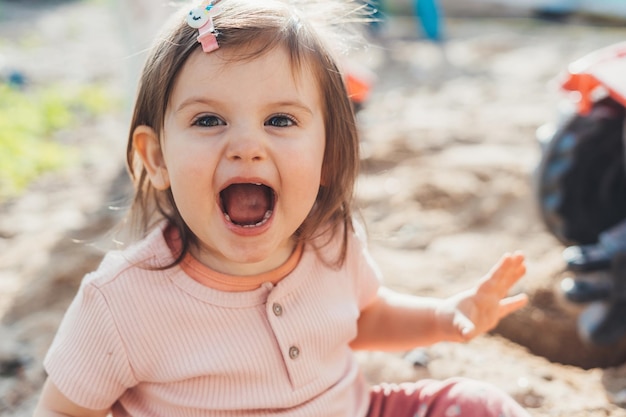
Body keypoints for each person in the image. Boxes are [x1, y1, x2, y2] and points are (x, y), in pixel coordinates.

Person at [33, 0, 530, 416]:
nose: (246, 145)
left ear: (328, 156)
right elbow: (61, 409)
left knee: (476, 405)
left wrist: (446, 316)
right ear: (157, 158)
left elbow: (363, 318)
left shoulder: (329, 242)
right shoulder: (121, 301)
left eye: (280, 120)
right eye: (208, 120)